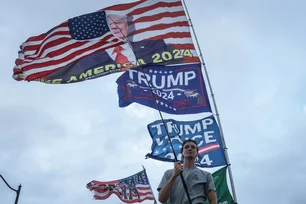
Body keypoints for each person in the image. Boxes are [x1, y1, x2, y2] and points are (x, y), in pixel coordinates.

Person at [158, 139, 217, 204]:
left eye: (193, 147)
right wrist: (174, 176)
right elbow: (161, 199)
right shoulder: (169, 173)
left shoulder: (206, 175)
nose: (189, 149)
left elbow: (213, 201)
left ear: (197, 153)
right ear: (182, 153)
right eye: (186, 147)